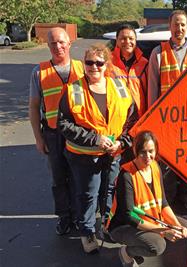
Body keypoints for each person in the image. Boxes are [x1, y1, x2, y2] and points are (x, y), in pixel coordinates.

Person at [58, 43, 138, 253]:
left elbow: (132, 120)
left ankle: (106, 225)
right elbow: (64, 125)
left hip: (113, 153)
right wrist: (96, 139)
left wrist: (122, 142)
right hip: (85, 157)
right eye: (89, 62)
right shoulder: (73, 90)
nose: (94, 67)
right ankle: (87, 232)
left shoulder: (120, 88)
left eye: (99, 63)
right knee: (88, 194)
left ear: (106, 65)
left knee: (109, 191)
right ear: (84, 64)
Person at [106, 131, 187, 266]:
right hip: (123, 226)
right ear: (135, 151)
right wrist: (163, 231)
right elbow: (130, 217)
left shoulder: (155, 167)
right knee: (157, 246)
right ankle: (127, 253)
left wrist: (177, 226)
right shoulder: (126, 175)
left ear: (156, 150)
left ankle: (142, 245)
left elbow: (163, 203)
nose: (147, 156)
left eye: (151, 151)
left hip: (150, 218)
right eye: (143, 152)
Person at [29, 27, 84, 235]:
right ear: (48, 45)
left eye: (61, 42)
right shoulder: (38, 72)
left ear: (69, 43)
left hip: (79, 135)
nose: (58, 47)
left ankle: (80, 217)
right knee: (59, 179)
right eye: (53, 43)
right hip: (53, 135)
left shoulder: (82, 68)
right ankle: (64, 217)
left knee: (79, 177)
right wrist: (38, 138)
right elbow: (34, 107)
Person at [147, 9, 187, 209]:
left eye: (183, 24)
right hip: (167, 119)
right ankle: (167, 198)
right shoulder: (158, 53)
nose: (179, 28)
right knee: (167, 161)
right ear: (169, 26)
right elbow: (152, 88)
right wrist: (153, 118)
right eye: (176, 24)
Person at [109, 24, 148, 117]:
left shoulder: (145, 63)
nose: (127, 42)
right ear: (116, 40)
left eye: (131, 38)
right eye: (123, 38)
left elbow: (150, 92)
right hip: (115, 117)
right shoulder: (107, 63)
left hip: (139, 118)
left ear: (135, 40)